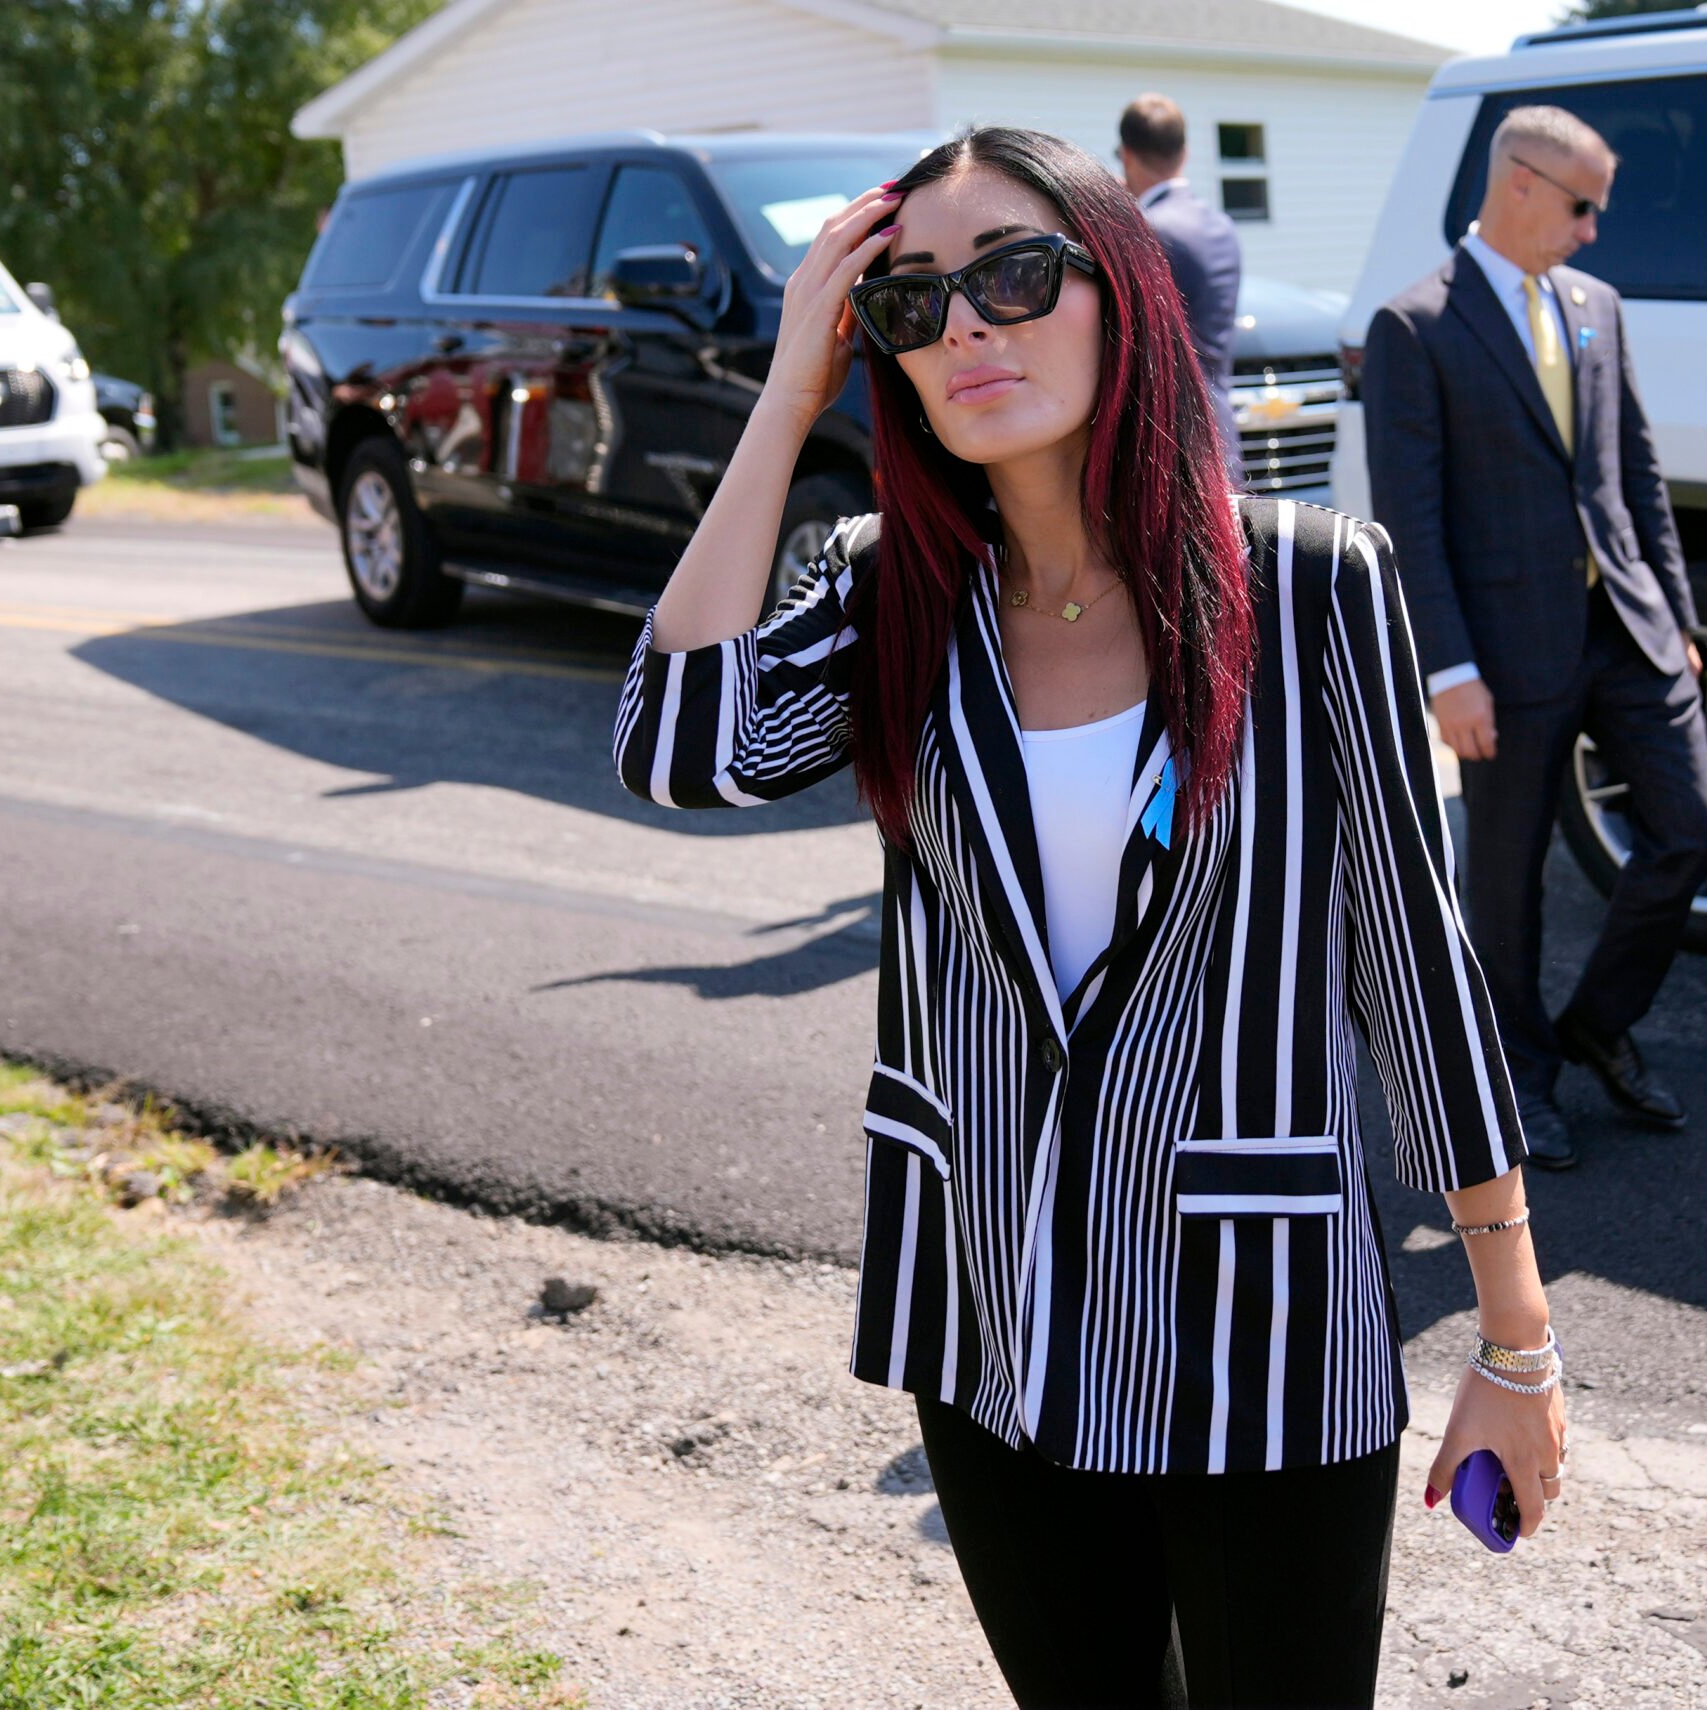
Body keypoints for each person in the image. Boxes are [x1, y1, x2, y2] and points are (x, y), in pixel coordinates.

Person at [613, 126, 1563, 1710]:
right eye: (912, 305)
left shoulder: (1313, 584)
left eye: (1013, 272)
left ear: (1119, 292)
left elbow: (1417, 968)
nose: (967, 324)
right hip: (991, 1324)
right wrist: (792, 389)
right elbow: (676, 743)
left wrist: (1514, 1339)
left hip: (1257, 1325)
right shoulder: (888, 593)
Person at [1362, 105, 1707, 1169]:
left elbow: (1634, 474)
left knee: (1691, 828)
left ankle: (1597, 1028)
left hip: (1626, 629)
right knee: (1505, 882)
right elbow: (1408, 518)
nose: (1592, 230)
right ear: (1519, 182)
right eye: (1582, 205)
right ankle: (1517, 1078)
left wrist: (1679, 617)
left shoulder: (1597, 307)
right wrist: (1450, 670)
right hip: (1502, 653)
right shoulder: (1415, 325)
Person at [1116, 92, 1243, 486]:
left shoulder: (1146, 230)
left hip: (1167, 444)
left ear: (1126, 155)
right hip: (1222, 432)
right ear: (1184, 154)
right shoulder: (1222, 226)